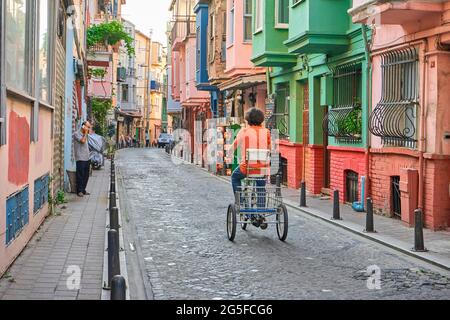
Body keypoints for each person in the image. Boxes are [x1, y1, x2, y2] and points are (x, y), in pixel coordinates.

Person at [228, 108, 271, 229]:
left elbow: (233, 146)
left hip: (247, 168)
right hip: (262, 168)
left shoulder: (244, 131)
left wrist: (229, 153)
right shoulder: (266, 132)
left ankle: (242, 204)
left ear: (248, 120)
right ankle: (261, 213)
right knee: (260, 187)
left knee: (235, 177)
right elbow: (269, 148)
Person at [73, 121, 92, 197]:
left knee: (86, 175)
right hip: (80, 158)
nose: (89, 128)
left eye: (89, 127)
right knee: (80, 175)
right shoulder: (76, 134)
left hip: (87, 157)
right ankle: (79, 191)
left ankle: (83, 189)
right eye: (88, 127)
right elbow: (83, 141)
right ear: (83, 126)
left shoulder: (86, 134)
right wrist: (85, 133)